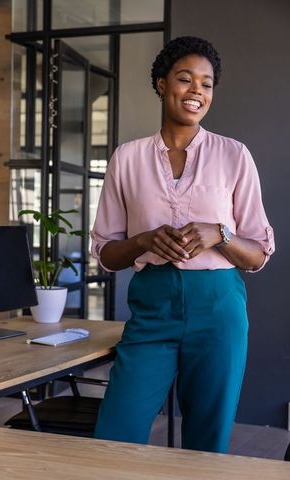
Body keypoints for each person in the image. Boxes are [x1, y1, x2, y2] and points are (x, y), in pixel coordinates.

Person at [90, 36, 275, 454]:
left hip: (219, 308)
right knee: (115, 438)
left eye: (207, 84)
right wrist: (142, 240)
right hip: (152, 306)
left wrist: (220, 234)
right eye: (185, 79)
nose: (197, 91)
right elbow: (105, 252)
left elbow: (260, 251)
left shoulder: (234, 155)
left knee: (207, 442)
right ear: (161, 83)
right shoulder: (127, 158)